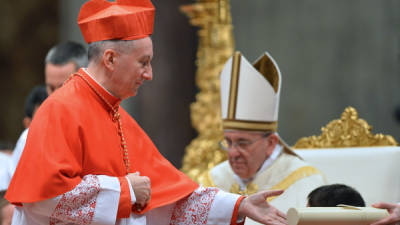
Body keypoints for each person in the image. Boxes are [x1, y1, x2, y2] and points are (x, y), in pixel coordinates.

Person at [6, 1, 288, 225]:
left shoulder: (118, 117)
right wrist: (124, 191)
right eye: (144, 62)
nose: (149, 74)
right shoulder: (60, 109)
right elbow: (44, 197)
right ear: (111, 59)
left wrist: (239, 206)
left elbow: (169, 195)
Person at [200, 51, 326, 216]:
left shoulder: (305, 181)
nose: (232, 153)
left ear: (271, 143)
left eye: (242, 143)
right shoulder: (213, 181)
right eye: (228, 142)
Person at [10, 42, 87, 175]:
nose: (55, 95)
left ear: (85, 79)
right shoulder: (30, 138)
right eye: (51, 88)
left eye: (63, 86)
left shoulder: (112, 121)